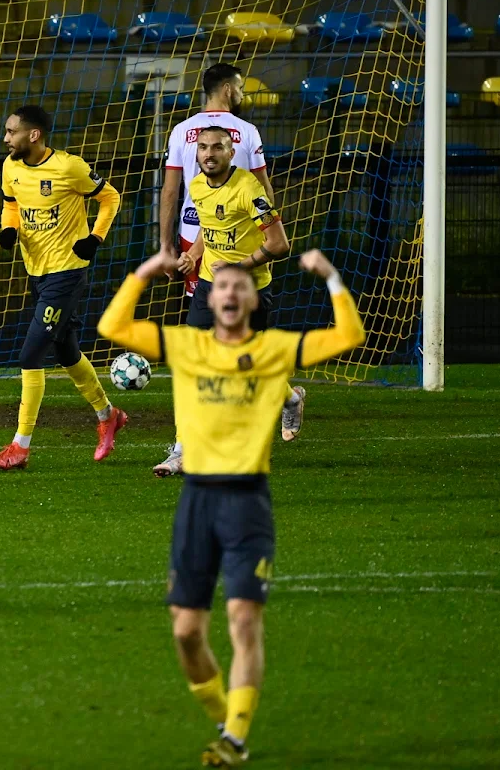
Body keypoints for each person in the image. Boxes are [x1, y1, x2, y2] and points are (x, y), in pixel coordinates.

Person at [97, 249, 365, 767]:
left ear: (252, 300)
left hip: (246, 504)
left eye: (240, 287)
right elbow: (113, 325)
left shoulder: (273, 352)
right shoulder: (187, 345)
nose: (230, 293)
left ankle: (235, 739)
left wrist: (331, 276)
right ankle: (227, 721)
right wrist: (143, 275)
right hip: (196, 501)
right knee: (187, 633)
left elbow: (348, 336)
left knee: (243, 622)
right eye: (222, 286)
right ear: (209, 297)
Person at [154, 64, 304, 478]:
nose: (207, 155)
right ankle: (183, 449)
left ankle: (288, 398)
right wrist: (192, 255)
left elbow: (280, 245)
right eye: (202, 150)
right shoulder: (199, 185)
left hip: (250, 288)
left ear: (230, 151)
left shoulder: (250, 190)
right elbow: (207, 223)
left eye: (216, 149)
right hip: (208, 284)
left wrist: (241, 264)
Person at [0, 104, 125, 471]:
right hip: (37, 271)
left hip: (67, 274)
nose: (5, 138)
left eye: (11, 131)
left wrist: (95, 237)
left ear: (33, 135)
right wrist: (9, 229)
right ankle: (108, 415)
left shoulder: (69, 167)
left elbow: (110, 197)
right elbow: (11, 205)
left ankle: (20, 445)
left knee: (31, 355)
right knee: (67, 352)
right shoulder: (11, 167)